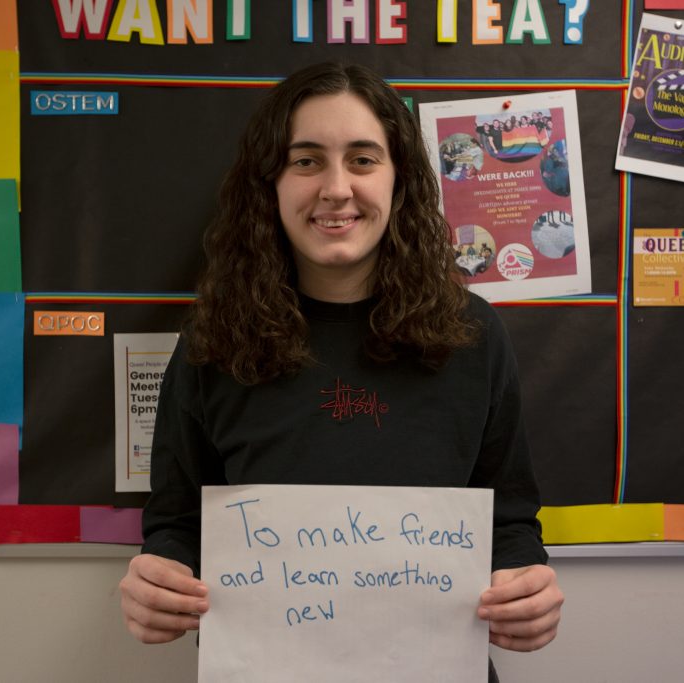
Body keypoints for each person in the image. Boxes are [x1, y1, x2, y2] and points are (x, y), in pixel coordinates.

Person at [119, 62, 563, 681]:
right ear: (269, 184)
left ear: (398, 180)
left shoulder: (474, 336)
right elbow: (176, 522)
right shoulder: (212, 342)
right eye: (306, 161)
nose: (336, 188)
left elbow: (509, 520)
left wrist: (527, 587)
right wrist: (157, 582)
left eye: (362, 159)